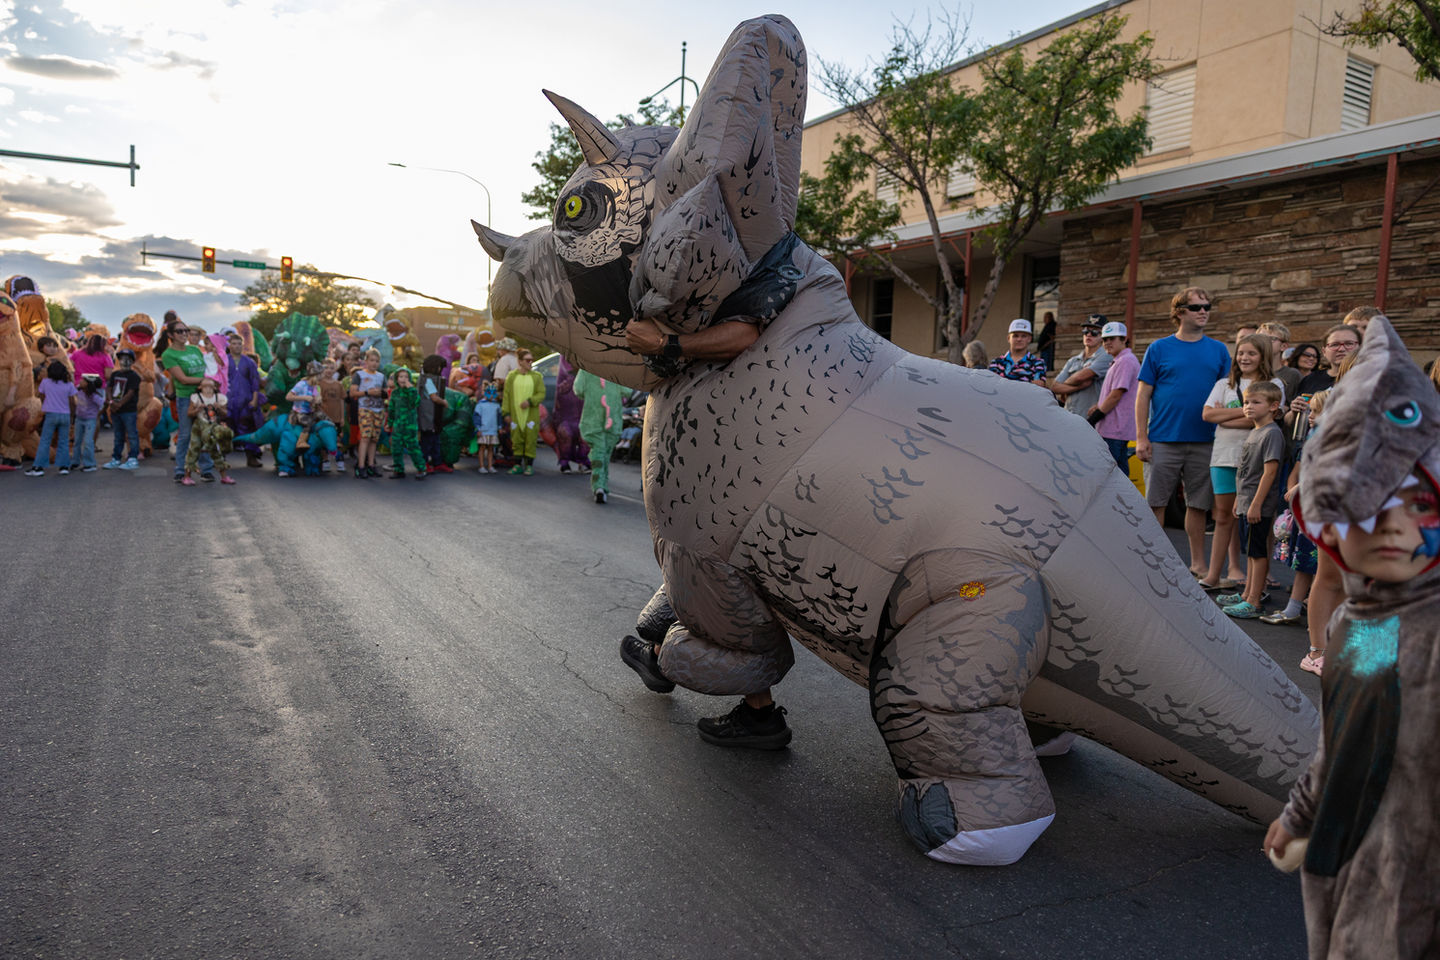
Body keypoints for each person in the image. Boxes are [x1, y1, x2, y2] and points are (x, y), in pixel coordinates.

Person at [1262, 337, 1438, 956]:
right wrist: (1301, 814)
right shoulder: (1362, 624)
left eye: (1418, 504)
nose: (1392, 528)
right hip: (1356, 852)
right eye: (1366, 510)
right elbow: (1346, 732)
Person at [1134, 286, 1232, 577]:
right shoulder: (1158, 348)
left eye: (1207, 306)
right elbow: (1142, 395)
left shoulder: (1218, 350)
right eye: (1197, 307)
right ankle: (1154, 563)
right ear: (1179, 312)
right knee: (1155, 504)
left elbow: (1227, 393)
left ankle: (1198, 563)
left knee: (1198, 506)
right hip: (1163, 438)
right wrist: (1141, 436)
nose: (1204, 311)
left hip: (1205, 440)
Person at [1200, 334, 1285, 590]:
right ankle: (1214, 576)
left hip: (1257, 460)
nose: (1245, 358)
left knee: (1257, 519)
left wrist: (1224, 417)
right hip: (1224, 456)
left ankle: (1255, 581)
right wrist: (1246, 410)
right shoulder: (1224, 383)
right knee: (1223, 516)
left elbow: (1258, 420)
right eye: (1241, 353)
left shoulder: (1274, 383)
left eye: (1251, 353)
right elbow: (1207, 414)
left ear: (1262, 356)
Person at [1214, 381, 1284, 618]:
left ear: (1274, 406)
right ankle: (1246, 595)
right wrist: (1239, 500)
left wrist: (1255, 503)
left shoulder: (1272, 433)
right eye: (1246, 402)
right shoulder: (1256, 430)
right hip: (1247, 501)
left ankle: (1254, 600)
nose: (1248, 407)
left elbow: (1270, 472)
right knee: (1251, 552)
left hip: (1259, 505)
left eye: (1256, 402)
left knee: (1257, 552)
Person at [1262, 389, 1329, 633]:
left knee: (1323, 566)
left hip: (1323, 510)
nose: (1311, 416)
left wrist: (1301, 486)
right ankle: (1293, 608)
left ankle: (1320, 616)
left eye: (1317, 412)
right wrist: (1293, 493)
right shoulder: (1311, 437)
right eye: (1310, 411)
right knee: (1302, 562)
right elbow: (1297, 470)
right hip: (1306, 509)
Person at [161, 321, 213, 482]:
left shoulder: (194, 350)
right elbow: (182, 379)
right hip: (186, 398)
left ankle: (206, 469)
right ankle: (181, 469)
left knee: (205, 433)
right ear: (170, 335)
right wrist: (205, 381)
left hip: (205, 396)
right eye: (179, 331)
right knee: (185, 435)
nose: (184, 334)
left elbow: (208, 369)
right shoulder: (168, 355)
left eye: (186, 331)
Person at [1286, 324, 1361, 433]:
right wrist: (1293, 412)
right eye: (1335, 344)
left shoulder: (1366, 380)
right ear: (1324, 351)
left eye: (1349, 343)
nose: (1341, 349)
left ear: (1360, 347)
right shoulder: (1310, 379)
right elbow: (1288, 423)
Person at [1088, 321, 1139, 472]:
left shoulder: (1126, 361)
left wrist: (1094, 418)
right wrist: (1098, 406)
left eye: (1113, 338)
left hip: (1115, 429)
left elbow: (1116, 395)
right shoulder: (1118, 361)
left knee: (1109, 475)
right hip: (1115, 429)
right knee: (1120, 475)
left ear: (1124, 339)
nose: (1108, 342)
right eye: (1105, 339)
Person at [573, 367, 625, 504]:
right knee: (603, 452)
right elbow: (628, 391)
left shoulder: (586, 368)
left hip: (593, 418)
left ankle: (601, 485)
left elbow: (578, 390)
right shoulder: (618, 369)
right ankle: (600, 486)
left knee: (601, 452)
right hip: (611, 419)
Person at [1048, 314, 1112, 416]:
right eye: (1086, 331)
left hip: (1090, 418)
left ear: (1103, 336)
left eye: (1094, 332)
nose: (1089, 335)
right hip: (1069, 415)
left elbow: (1080, 377)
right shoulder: (1073, 360)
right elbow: (1054, 387)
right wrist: (1078, 387)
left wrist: (1066, 386)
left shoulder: (1106, 356)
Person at [181, 376, 235, 485]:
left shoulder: (219, 397)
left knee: (216, 451)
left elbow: (225, 414)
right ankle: (186, 477)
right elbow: (189, 413)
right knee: (193, 450)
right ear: (200, 387)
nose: (208, 389)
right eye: (205, 386)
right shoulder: (196, 397)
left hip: (212, 427)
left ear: (215, 388)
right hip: (199, 426)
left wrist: (219, 408)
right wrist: (197, 409)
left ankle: (224, 476)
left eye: (210, 386)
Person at [26, 360, 77, 476]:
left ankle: (38, 467)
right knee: (64, 441)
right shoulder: (68, 384)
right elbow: (72, 402)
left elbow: (41, 396)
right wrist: (72, 416)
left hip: (50, 414)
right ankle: (64, 466)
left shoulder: (45, 383)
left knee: (45, 441)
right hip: (65, 415)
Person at [503, 349, 545, 475]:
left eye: (531, 360)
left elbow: (541, 393)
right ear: (520, 361)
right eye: (527, 360)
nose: (530, 362)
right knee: (516, 439)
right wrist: (506, 413)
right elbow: (507, 395)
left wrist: (530, 401)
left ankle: (529, 465)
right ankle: (517, 465)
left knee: (530, 439)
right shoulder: (511, 376)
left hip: (530, 414)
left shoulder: (537, 377)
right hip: (516, 414)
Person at [103, 348, 142, 470]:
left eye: (128, 359)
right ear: (118, 360)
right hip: (116, 409)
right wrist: (111, 402)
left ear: (132, 361)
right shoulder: (115, 374)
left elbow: (131, 392)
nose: (125, 361)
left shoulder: (134, 376)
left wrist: (119, 404)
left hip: (129, 410)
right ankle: (116, 458)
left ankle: (133, 458)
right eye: (122, 359)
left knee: (131, 434)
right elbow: (109, 388)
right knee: (118, 435)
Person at [350, 349, 387, 479]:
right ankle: (361, 466)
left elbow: (385, 393)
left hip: (378, 409)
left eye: (377, 361)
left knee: (374, 438)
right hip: (365, 409)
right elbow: (353, 393)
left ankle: (371, 465)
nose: (374, 363)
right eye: (371, 360)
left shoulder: (381, 376)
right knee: (365, 437)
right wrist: (367, 393)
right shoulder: (359, 375)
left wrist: (382, 393)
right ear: (366, 361)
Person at [386, 368, 425, 480]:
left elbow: (416, 402)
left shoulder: (412, 391)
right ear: (397, 379)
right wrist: (389, 423)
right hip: (398, 425)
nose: (403, 379)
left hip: (410, 425)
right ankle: (398, 470)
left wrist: (411, 389)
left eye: (406, 377)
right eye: (401, 377)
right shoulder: (395, 393)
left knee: (413, 448)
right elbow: (391, 409)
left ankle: (421, 468)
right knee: (396, 447)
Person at [987, 319, 1047, 385]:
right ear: (1008, 338)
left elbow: (1039, 386)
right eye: (1015, 336)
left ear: (1029, 339)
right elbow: (991, 385)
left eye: (1023, 336)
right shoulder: (996, 363)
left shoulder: (1038, 363)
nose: (1019, 339)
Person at [418, 354, 450, 474]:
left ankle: (437, 462)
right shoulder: (428, 380)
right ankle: (424, 462)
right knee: (427, 441)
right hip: (429, 417)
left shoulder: (426, 378)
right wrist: (444, 402)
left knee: (435, 440)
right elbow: (434, 397)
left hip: (432, 417)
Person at [286, 361, 323, 451]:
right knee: (308, 423)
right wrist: (304, 397)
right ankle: (301, 441)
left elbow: (317, 399)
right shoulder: (301, 385)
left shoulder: (316, 387)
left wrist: (317, 400)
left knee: (324, 419)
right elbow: (288, 397)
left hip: (309, 411)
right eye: (320, 374)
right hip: (298, 412)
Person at [70, 373, 104, 472]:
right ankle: (75, 461)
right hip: (79, 419)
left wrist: (98, 414)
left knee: (88, 442)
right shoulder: (79, 390)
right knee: (77, 441)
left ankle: (90, 463)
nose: (81, 381)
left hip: (90, 420)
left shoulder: (94, 396)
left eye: (83, 380)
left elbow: (103, 404)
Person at [318, 358, 346, 473]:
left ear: (335, 370)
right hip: (324, 417)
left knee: (338, 439)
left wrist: (342, 416)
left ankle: (339, 459)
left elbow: (341, 400)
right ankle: (325, 460)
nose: (328, 370)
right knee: (324, 440)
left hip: (336, 417)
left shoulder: (338, 384)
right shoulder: (319, 384)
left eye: (331, 368)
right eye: (326, 368)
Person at [473, 379, 501, 474]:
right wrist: (478, 428)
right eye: (489, 392)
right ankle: (481, 466)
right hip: (483, 430)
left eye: (494, 392)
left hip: (493, 430)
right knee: (482, 447)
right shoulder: (480, 405)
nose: (492, 395)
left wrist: (499, 427)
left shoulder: (496, 405)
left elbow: (499, 417)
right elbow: (476, 417)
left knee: (491, 448)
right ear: (485, 392)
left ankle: (490, 466)